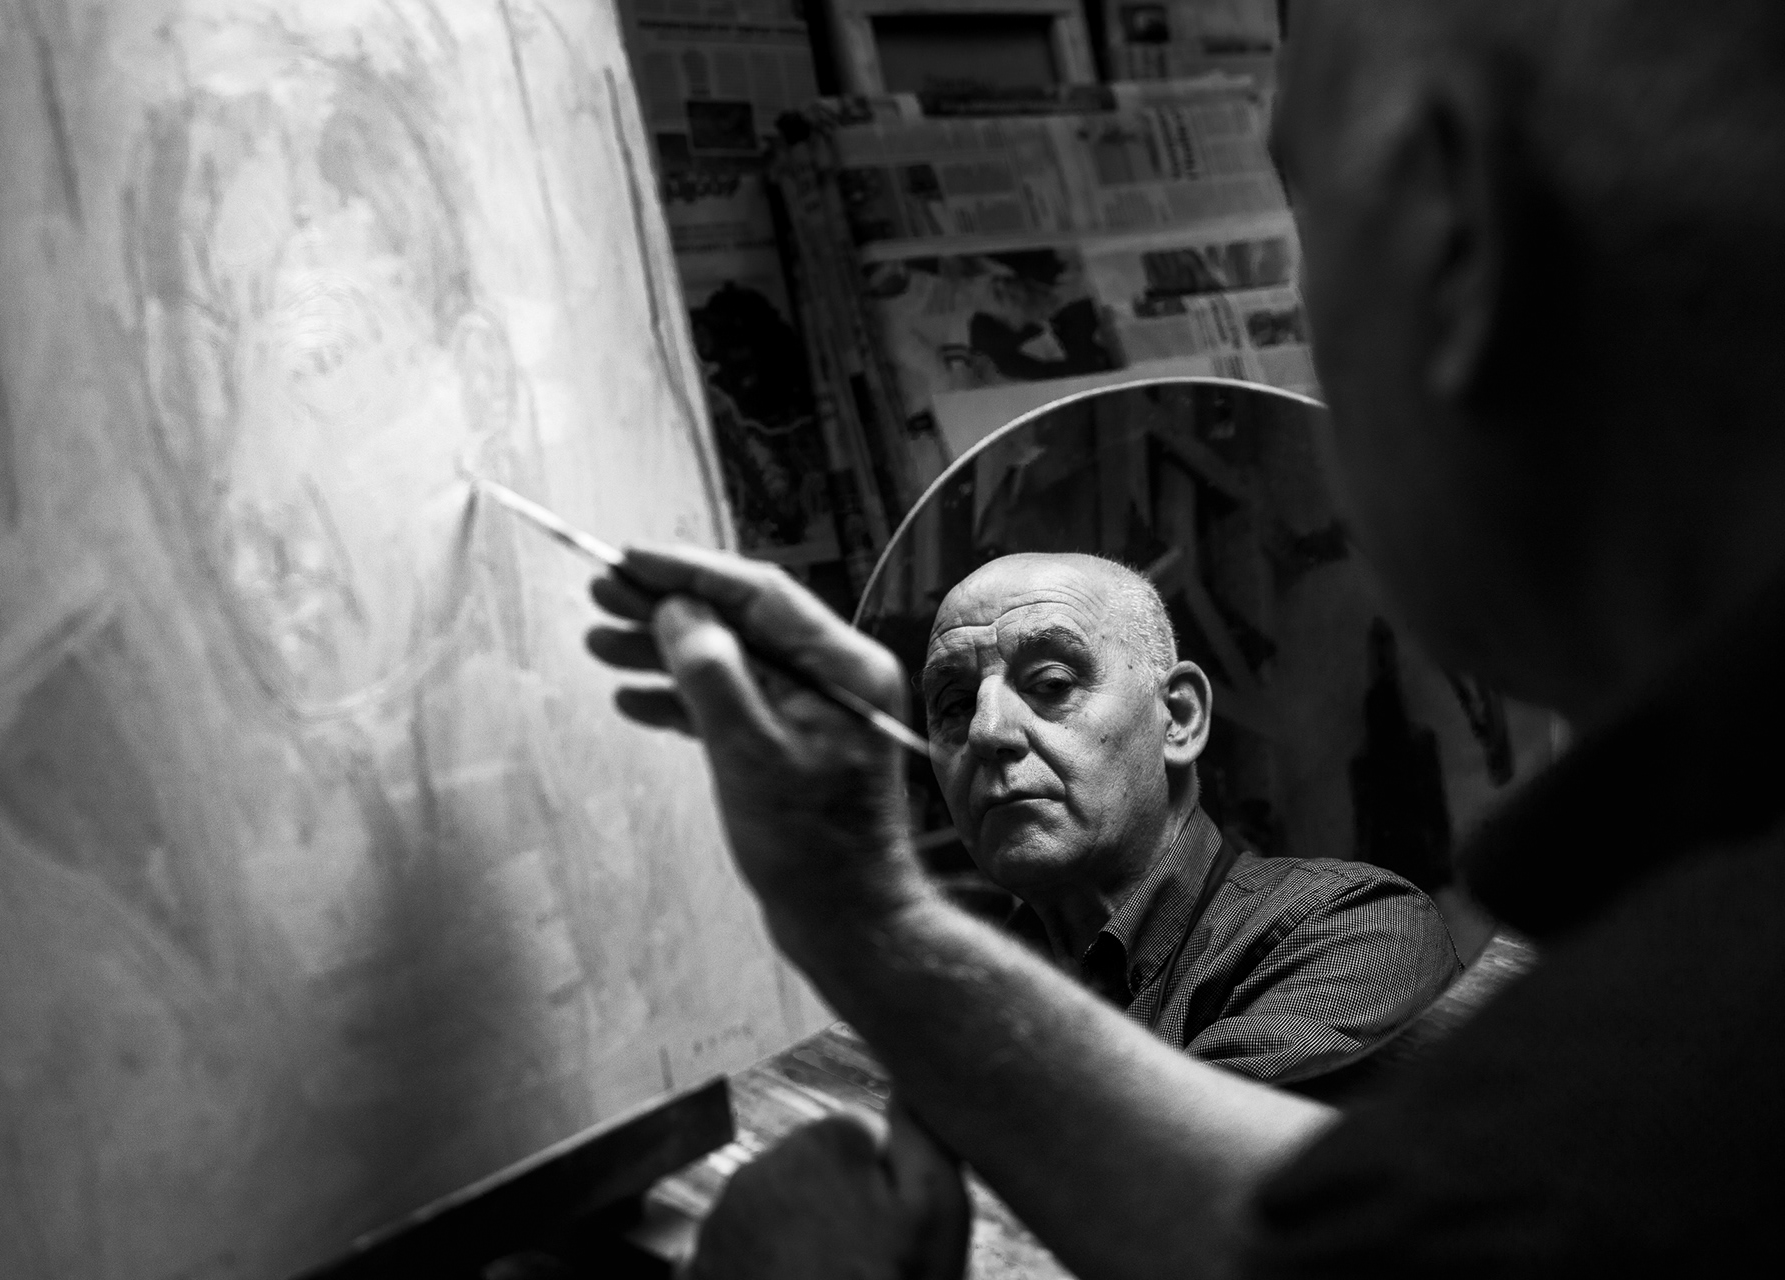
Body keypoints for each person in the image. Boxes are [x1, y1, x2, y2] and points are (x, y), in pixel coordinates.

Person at [584, 0, 1785, 1274]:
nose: (989, 731)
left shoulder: (1652, 1053)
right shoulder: (1686, 952)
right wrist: (868, 916)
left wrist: (866, 924)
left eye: (1304, 218)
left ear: (1450, 229)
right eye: (947, 699)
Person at [921, 551, 1459, 1083]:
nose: (985, 731)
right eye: (955, 705)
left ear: (1178, 718)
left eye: (1052, 683)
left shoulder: (1357, 931)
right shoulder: (963, 986)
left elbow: (1190, 1139)